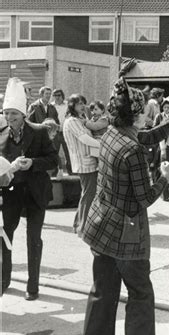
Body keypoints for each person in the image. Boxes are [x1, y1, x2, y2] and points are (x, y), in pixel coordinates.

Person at [76, 77, 169, 335]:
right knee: (140, 295)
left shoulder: (111, 134)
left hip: (100, 227)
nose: (147, 119)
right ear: (136, 115)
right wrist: (165, 177)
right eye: (144, 114)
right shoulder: (132, 151)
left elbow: (145, 137)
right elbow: (144, 197)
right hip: (127, 234)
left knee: (102, 294)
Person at [1, 78, 58, 299]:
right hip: (11, 193)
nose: (9, 118)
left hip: (35, 192)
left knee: (33, 238)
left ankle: (32, 286)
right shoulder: (1, 133)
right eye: (6, 113)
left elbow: (53, 160)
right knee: (5, 236)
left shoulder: (39, 131)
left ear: (23, 113)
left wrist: (33, 163)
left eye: (14, 114)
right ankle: (4, 281)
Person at [63, 94, 101, 237]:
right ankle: (83, 228)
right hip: (84, 162)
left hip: (89, 160)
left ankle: (78, 224)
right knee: (88, 194)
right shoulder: (72, 121)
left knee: (87, 193)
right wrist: (104, 145)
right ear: (71, 105)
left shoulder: (79, 120)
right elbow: (84, 139)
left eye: (83, 103)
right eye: (78, 103)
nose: (82, 106)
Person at [51, 88, 72, 175]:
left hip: (66, 133)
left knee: (69, 153)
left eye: (59, 95)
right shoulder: (51, 106)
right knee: (54, 153)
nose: (57, 97)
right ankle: (55, 171)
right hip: (55, 133)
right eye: (55, 95)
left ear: (62, 95)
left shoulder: (68, 105)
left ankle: (71, 172)